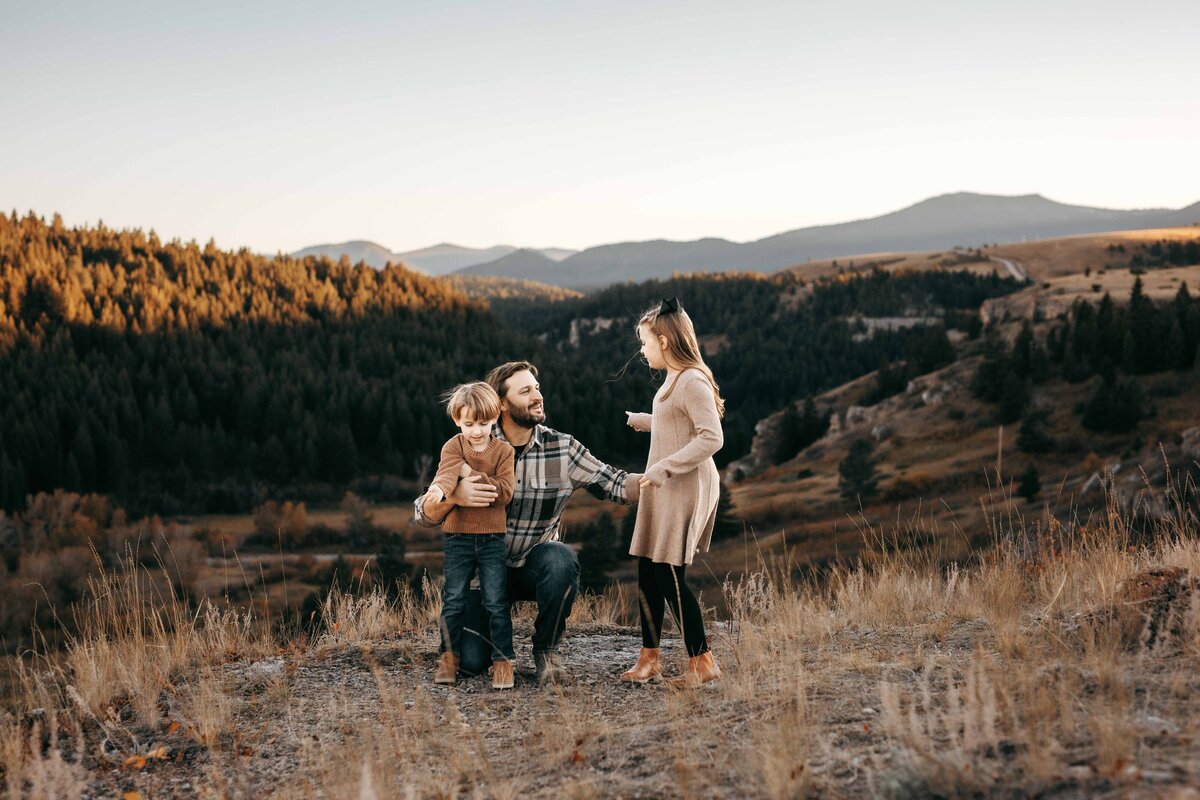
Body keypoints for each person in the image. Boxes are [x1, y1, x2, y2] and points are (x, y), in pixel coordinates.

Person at [414, 361, 642, 686]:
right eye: (526, 391)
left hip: (532, 567)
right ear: (502, 404)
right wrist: (455, 497)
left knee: (561, 560)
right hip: (482, 572)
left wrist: (650, 483)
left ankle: (546, 652)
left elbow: (613, 481)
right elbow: (423, 513)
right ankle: (480, 648)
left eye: (537, 388)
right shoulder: (470, 441)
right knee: (473, 662)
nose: (538, 396)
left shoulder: (562, 447)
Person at [621, 297, 724, 688]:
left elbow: (712, 437)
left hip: (682, 484)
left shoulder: (692, 380)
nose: (643, 350)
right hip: (666, 484)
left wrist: (664, 466)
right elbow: (678, 422)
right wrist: (646, 422)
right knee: (648, 568)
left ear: (664, 341)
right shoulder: (676, 378)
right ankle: (649, 658)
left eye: (645, 343)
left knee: (667, 573)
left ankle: (703, 662)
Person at [421, 381, 517, 690]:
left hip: (491, 539)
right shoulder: (453, 447)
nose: (476, 431)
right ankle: (449, 656)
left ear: (494, 419)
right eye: (469, 424)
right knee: (454, 600)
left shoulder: (503, 451)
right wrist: (439, 489)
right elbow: (445, 475)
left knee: (496, 601)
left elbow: (504, 492)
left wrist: (469, 474)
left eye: (484, 423)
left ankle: (503, 661)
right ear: (457, 420)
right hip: (458, 538)